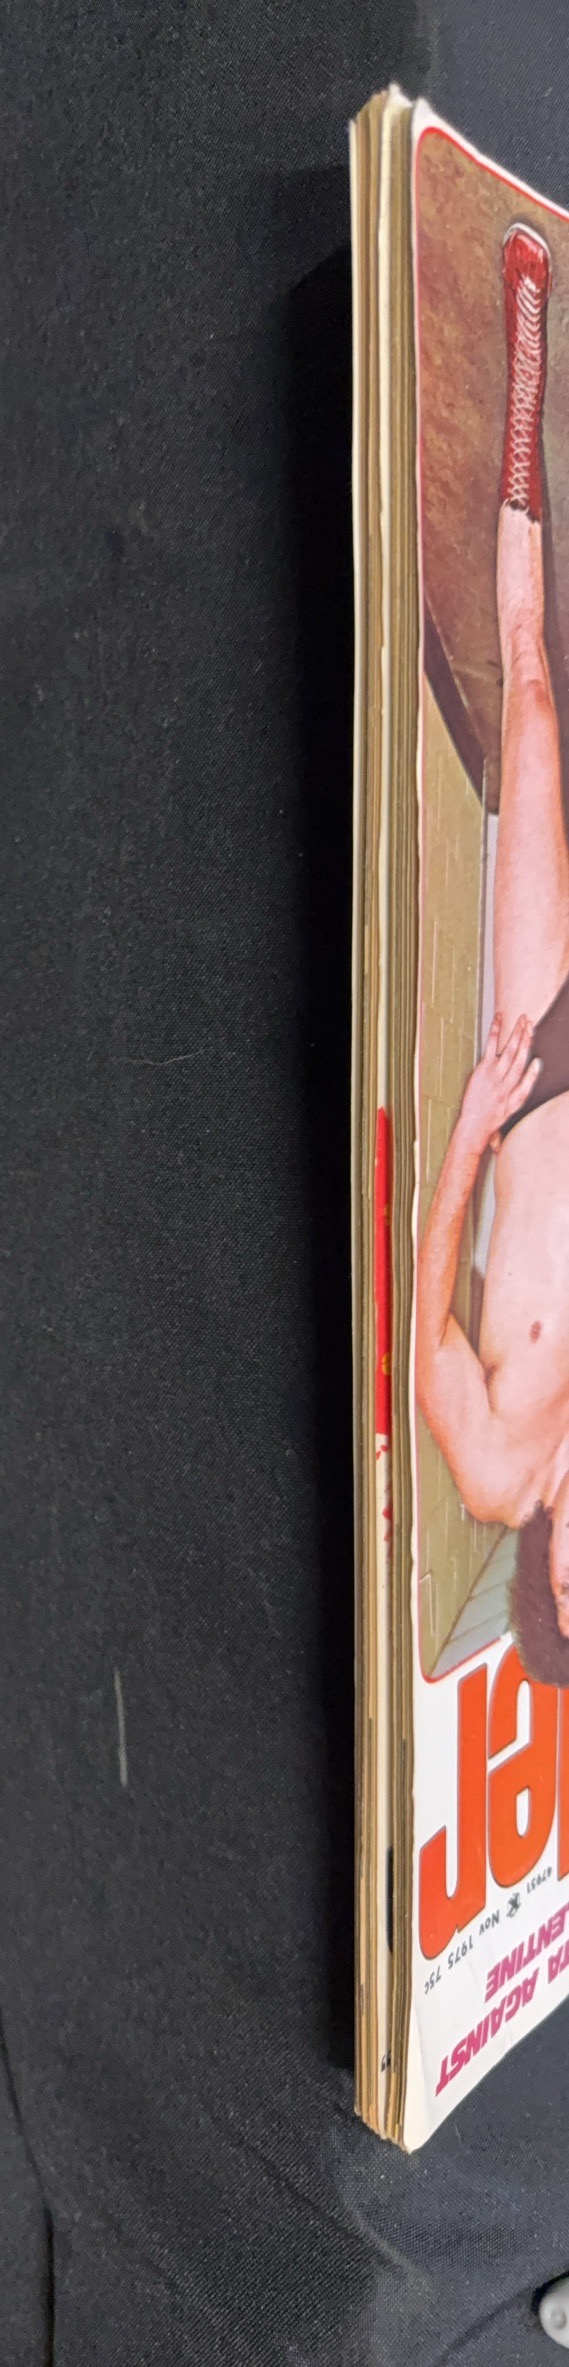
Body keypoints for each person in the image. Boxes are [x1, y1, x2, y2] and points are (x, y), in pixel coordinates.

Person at [416, 223, 569, 1683]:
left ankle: (524, 344)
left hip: (533, 1064)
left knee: (528, 702)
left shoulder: (490, 1471)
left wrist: (467, 1132)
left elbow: (421, 1342)